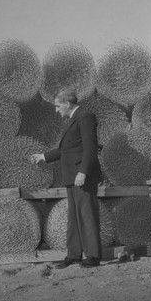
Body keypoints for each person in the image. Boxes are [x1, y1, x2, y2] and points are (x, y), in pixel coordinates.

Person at [31, 88, 102, 269]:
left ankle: (93, 256)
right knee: (74, 218)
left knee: (87, 216)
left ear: (67, 104)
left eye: (57, 106)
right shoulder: (72, 120)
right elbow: (65, 150)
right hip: (72, 175)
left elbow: (91, 148)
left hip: (81, 176)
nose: (56, 110)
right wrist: (43, 156)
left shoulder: (85, 117)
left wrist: (83, 172)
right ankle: (74, 255)